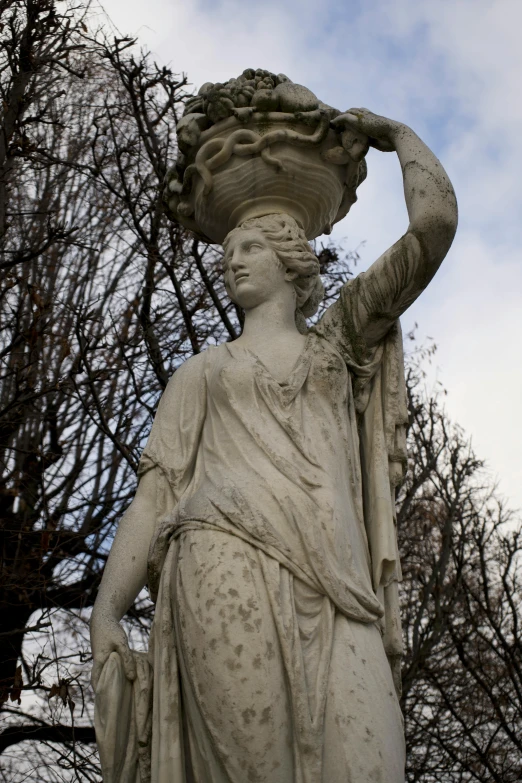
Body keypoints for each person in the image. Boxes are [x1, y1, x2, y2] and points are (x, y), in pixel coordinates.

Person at [90, 108, 457, 783]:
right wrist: (108, 609)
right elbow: (153, 498)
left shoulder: (340, 342)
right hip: (221, 563)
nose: (233, 260)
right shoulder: (201, 374)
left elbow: (432, 228)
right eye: (228, 253)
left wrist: (399, 135)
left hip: (340, 587)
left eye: (249, 248)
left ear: (291, 258)